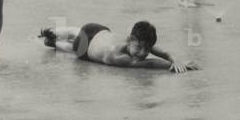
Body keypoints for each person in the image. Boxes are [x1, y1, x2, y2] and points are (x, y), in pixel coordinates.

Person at [38, 21, 198, 73]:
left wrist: (177, 59)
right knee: (71, 48)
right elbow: (149, 63)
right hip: (86, 46)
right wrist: (173, 64)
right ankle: (53, 39)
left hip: (96, 33)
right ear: (129, 40)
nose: (143, 53)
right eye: (139, 48)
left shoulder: (136, 43)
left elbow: (155, 49)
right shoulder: (120, 58)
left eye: (146, 49)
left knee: (73, 36)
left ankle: (52, 37)